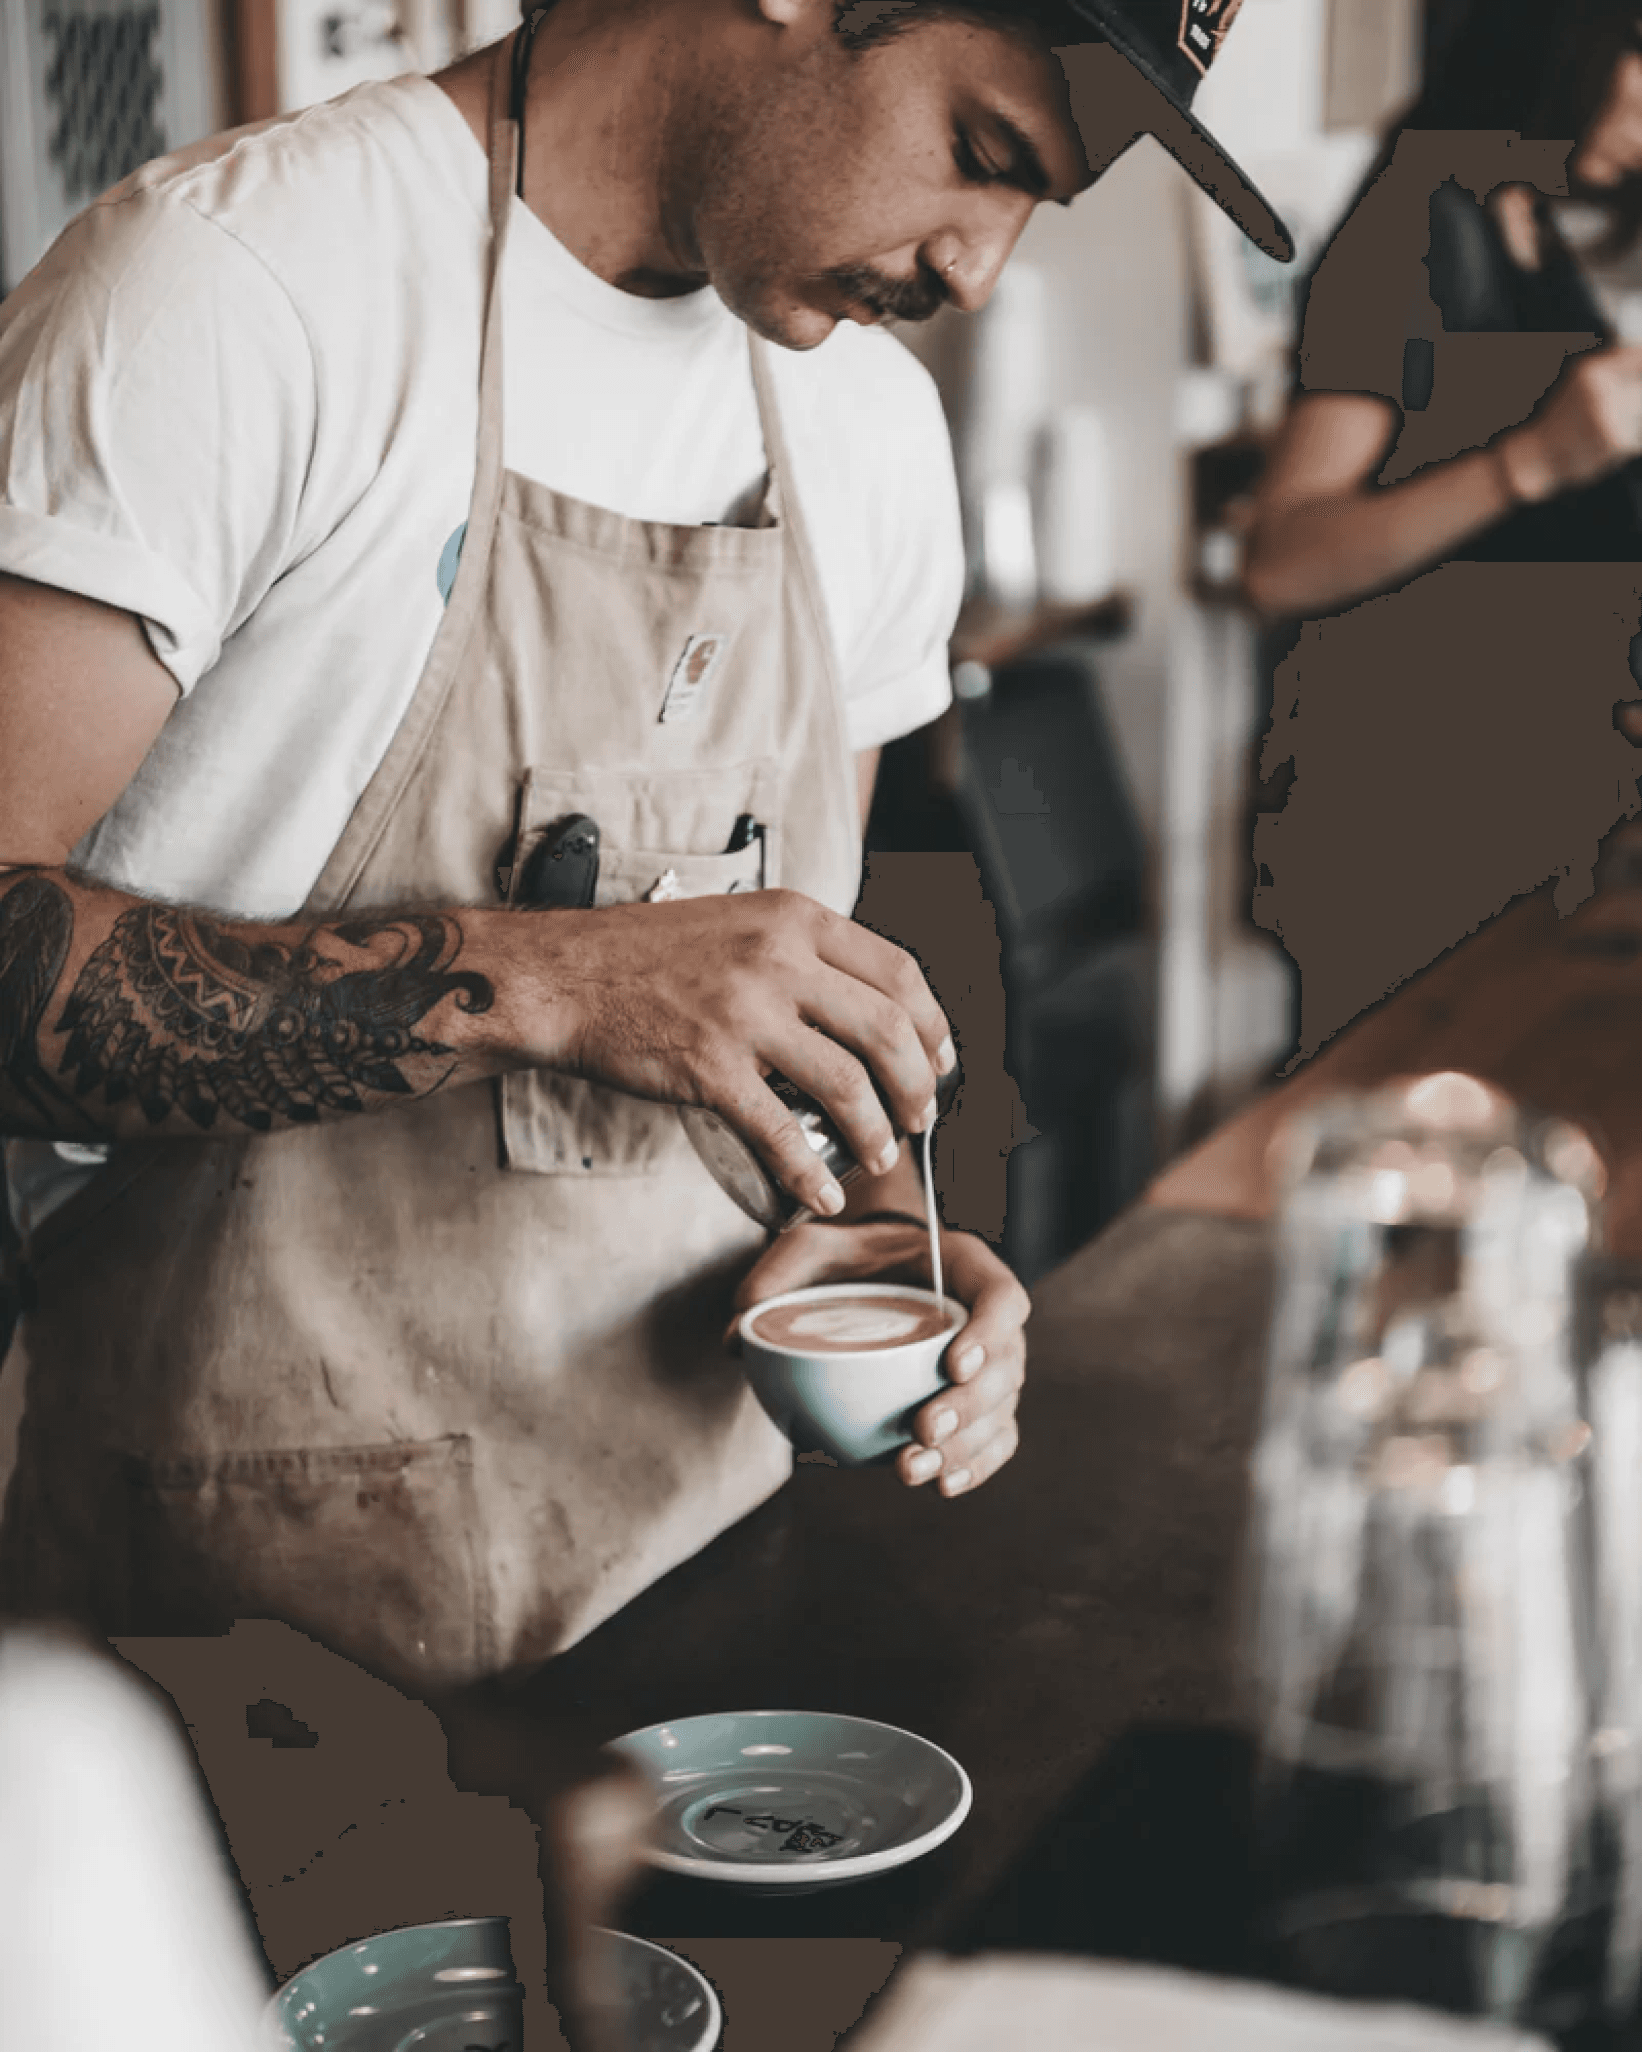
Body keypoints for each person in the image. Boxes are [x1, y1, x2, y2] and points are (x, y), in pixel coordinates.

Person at [0, 0, 1288, 1690]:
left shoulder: (869, 439)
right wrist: (539, 982)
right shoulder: (233, 293)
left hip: (700, 1599)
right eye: (981, 155)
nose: (980, 268)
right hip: (247, 1643)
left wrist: (878, 1234)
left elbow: (780, 992)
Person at [1238, 0, 1642, 1060]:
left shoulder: (1535, 224)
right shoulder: (1409, 226)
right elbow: (1280, 561)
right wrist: (1530, 462)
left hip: (1544, 811)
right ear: (1570, 47)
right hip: (1403, 825)